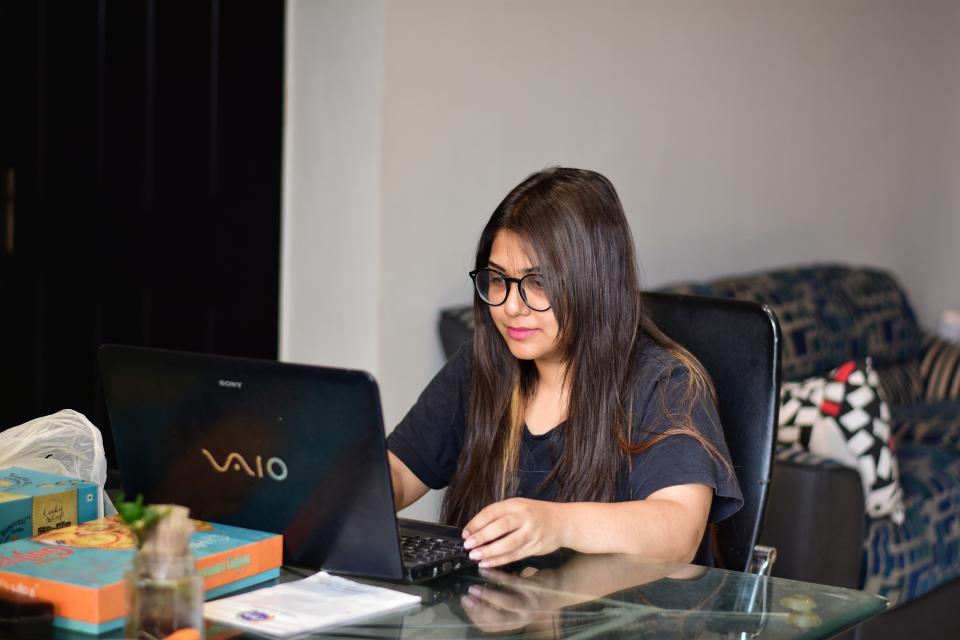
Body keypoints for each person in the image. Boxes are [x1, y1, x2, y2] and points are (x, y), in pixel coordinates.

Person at [387, 167, 742, 569]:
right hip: (495, 620)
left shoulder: (665, 383)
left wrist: (557, 524)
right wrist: (335, 492)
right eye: (498, 280)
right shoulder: (483, 363)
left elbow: (678, 531)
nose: (510, 306)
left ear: (595, 282)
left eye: (538, 282)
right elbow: (399, 472)